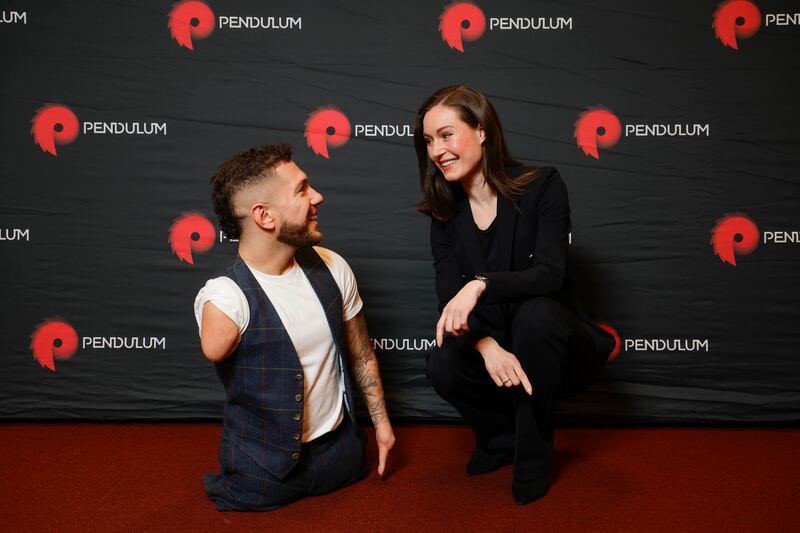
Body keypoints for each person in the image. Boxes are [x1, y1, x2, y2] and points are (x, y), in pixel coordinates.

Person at [415, 85, 614, 505]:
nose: (437, 150)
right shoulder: (445, 216)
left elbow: (549, 275)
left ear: (482, 131)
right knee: (442, 359)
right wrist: (486, 347)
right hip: (497, 348)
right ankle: (500, 439)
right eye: (429, 140)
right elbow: (448, 301)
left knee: (537, 314)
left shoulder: (543, 185)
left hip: (558, 347)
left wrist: (481, 283)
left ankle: (532, 456)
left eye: (447, 135)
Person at [194, 143, 395, 511]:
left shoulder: (332, 266)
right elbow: (214, 347)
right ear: (265, 217)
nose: (317, 196)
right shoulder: (225, 298)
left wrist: (381, 426)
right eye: (302, 189)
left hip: (343, 460)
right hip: (262, 475)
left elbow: (362, 352)